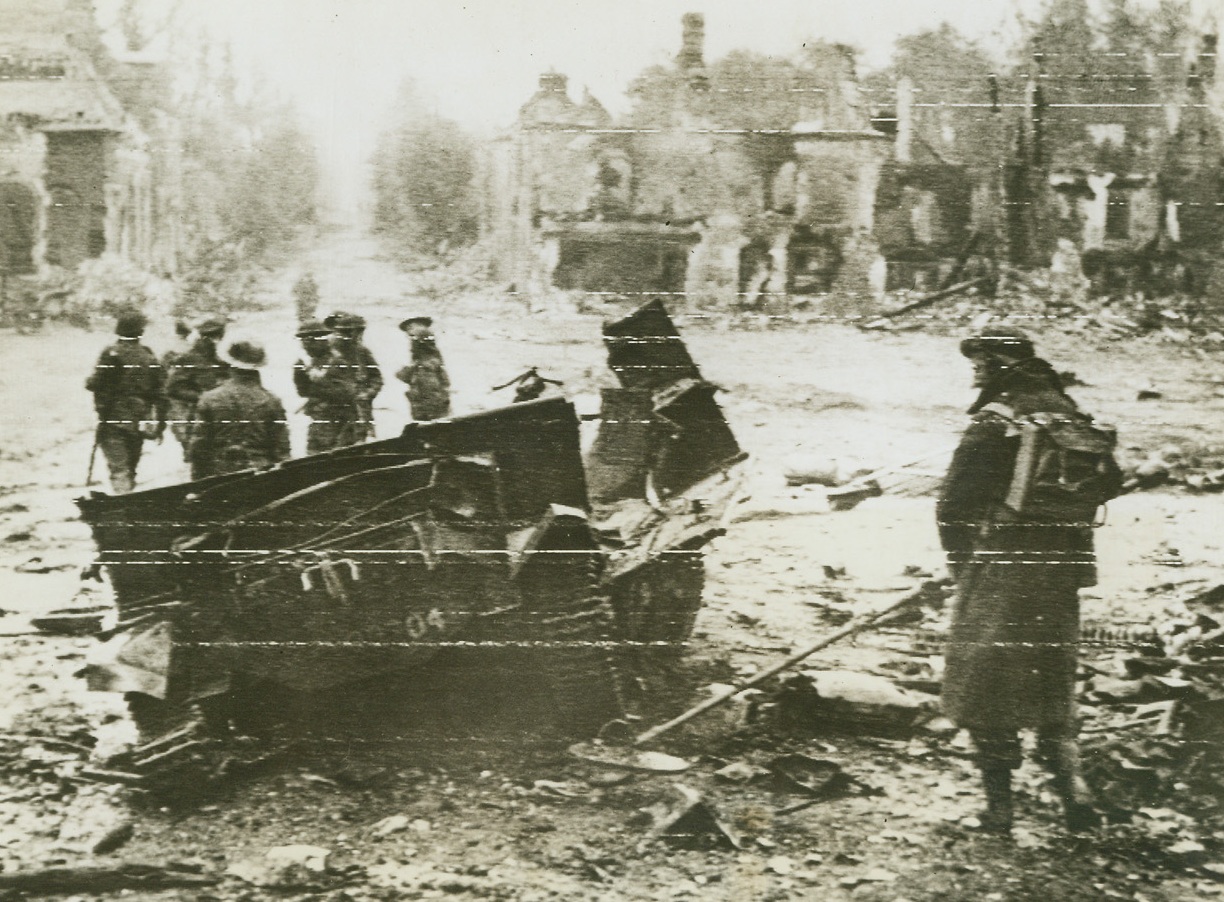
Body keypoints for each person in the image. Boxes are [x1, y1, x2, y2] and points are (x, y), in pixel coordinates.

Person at [938, 325, 1103, 834]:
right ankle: (1075, 794)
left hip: (1003, 561)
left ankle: (999, 812)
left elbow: (952, 502)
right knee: (1051, 675)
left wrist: (960, 562)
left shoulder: (997, 418)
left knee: (986, 679)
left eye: (982, 359)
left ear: (1002, 365)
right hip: (1061, 568)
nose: (976, 368)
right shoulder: (1068, 411)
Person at [85, 310, 167, 494]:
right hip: (139, 421)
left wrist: (89, 382)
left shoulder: (111, 353)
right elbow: (161, 395)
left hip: (113, 419)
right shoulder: (149, 356)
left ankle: (124, 507)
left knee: (120, 469)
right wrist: (160, 426)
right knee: (130, 468)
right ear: (140, 331)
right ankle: (128, 504)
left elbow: (95, 383)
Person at [189, 340, 291, 480]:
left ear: (229, 364)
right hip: (262, 475)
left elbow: (198, 449)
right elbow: (282, 451)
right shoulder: (271, 401)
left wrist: (197, 483)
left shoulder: (209, 398)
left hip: (221, 476)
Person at [293, 319, 363, 453]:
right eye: (303, 341)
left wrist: (316, 383)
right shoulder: (311, 362)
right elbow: (303, 392)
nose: (306, 345)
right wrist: (300, 375)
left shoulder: (337, 361)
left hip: (341, 428)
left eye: (310, 341)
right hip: (320, 426)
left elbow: (346, 393)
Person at [166, 316, 229, 459]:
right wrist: (202, 398)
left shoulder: (223, 359)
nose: (217, 341)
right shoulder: (187, 359)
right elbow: (172, 389)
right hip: (197, 418)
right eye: (213, 337)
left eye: (218, 337)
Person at [325, 312, 382, 441]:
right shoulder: (327, 351)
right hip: (335, 414)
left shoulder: (362, 352)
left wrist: (368, 394)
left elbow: (377, 378)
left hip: (361, 411)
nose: (353, 336)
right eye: (345, 332)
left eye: (357, 332)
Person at [395, 315, 451, 421]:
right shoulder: (418, 364)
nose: (410, 338)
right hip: (421, 410)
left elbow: (435, 394)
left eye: (411, 329)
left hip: (432, 411)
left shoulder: (429, 362)